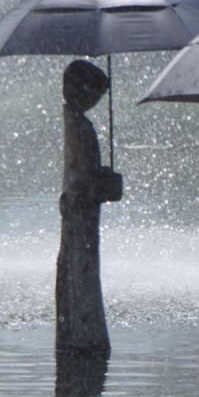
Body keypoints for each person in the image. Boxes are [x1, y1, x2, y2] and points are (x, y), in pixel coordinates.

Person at [55, 60, 122, 360]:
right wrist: (105, 184)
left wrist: (100, 178)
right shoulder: (79, 126)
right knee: (80, 278)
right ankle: (84, 341)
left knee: (78, 275)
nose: (97, 102)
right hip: (80, 217)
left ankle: (81, 338)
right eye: (95, 95)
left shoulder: (76, 122)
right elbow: (84, 182)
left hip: (79, 216)